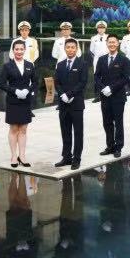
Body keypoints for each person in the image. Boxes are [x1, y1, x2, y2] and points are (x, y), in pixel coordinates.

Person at [1, 40, 37, 168]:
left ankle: (22, 156)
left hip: (25, 101)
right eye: (17, 49)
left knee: (23, 129)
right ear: (13, 50)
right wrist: (15, 91)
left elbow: (35, 82)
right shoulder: (7, 66)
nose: (19, 51)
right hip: (13, 101)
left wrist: (28, 90)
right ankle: (13, 156)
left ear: (24, 50)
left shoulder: (30, 65)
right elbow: (1, 84)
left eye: (21, 49)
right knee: (14, 129)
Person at [54, 39, 88, 170]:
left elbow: (83, 82)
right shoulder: (60, 64)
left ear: (76, 48)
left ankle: (76, 158)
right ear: (65, 48)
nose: (70, 49)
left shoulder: (82, 64)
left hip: (76, 103)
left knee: (78, 132)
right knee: (65, 131)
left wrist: (70, 94)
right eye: (68, 47)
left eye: (73, 47)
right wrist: (62, 94)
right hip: (63, 104)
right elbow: (57, 82)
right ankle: (66, 157)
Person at [95, 35, 130, 158]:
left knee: (118, 122)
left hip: (118, 96)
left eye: (114, 42)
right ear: (107, 43)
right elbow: (96, 76)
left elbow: (126, 78)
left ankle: (118, 147)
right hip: (105, 96)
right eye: (110, 42)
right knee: (107, 122)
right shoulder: (102, 59)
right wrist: (103, 88)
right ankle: (110, 146)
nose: (112, 44)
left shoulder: (124, 59)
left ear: (118, 43)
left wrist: (112, 88)